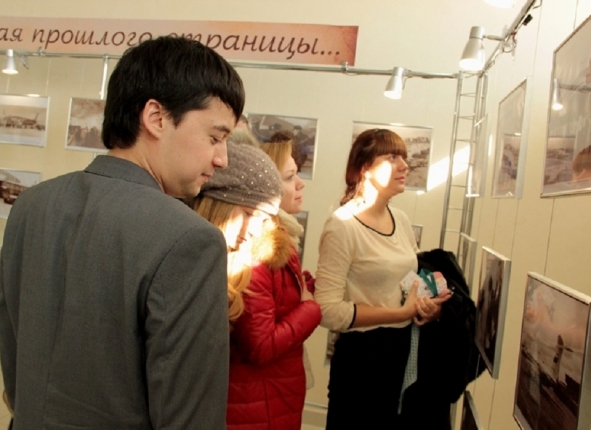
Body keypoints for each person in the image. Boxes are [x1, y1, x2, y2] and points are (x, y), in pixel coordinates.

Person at [0, 36, 244, 429]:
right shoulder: (189, 239)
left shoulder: (32, 205)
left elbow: (15, 369)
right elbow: (190, 417)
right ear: (156, 117)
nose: (222, 159)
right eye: (215, 137)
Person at [314, 128, 451, 429]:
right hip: (362, 358)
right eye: (392, 157)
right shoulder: (342, 226)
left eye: (404, 157)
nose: (405, 165)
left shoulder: (400, 219)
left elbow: (405, 283)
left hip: (400, 351)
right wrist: (399, 313)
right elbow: (326, 309)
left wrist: (428, 305)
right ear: (365, 168)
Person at [225, 139, 322, 429]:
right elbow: (260, 346)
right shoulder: (261, 246)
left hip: (271, 395)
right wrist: (311, 309)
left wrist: (306, 287)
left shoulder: (280, 241)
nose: (300, 184)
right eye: (289, 177)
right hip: (256, 402)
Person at [191, 138, 284, 324]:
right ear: (219, 204)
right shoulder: (179, 259)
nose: (255, 231)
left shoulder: (236, 267)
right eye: (249, 214)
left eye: (263, 220)